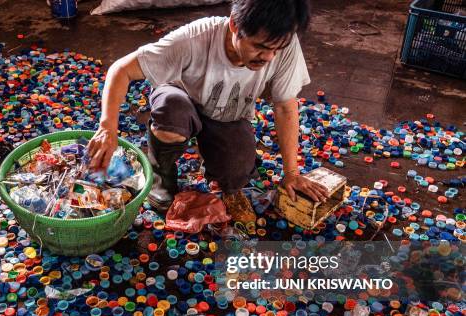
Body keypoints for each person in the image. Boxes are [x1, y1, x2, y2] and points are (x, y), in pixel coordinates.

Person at [88, 0, 329, 223]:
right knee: (171, 112)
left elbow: (286, 107)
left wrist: (292, 173)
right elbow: (121, 70)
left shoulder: (282, 44)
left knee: (236, 171)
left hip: (227, 114)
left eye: (276, 50)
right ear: (235, 25)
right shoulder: (194, 38)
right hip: (181, 101)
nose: (268, 57)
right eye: (259, 47)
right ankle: (162, 178)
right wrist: (107, 126)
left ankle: (215, 159)